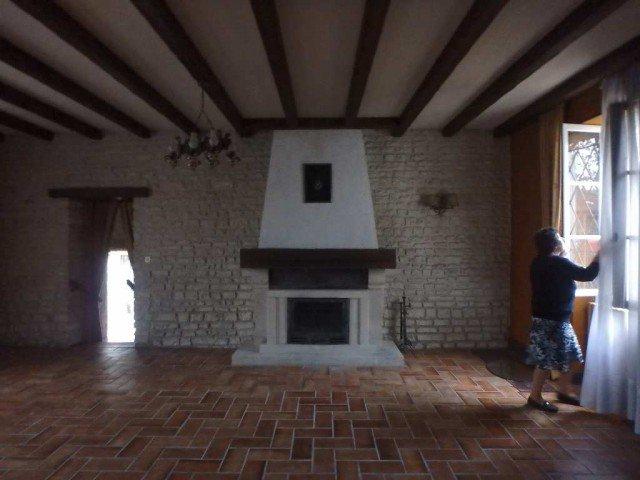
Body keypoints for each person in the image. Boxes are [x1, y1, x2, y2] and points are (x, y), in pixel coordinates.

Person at [526, 227, 599, 412]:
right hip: (553, 320)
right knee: (546, 360)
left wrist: (563, 254)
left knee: (571, 354)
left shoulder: (538, 262)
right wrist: (599, 256)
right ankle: (535, 397)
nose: (563, 240)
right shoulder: (558, 262)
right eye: (560, 238)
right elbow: (587, 275)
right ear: (555, 244)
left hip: (548, 318)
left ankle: (563, 391)